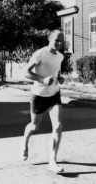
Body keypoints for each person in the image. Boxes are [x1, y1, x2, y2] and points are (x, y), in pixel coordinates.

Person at [20, 30, 65, 173]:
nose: (59, 43)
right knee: (34, 126)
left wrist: (60, 78)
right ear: (49, 39)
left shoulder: (60, 56)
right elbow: (26, 72)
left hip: (54, 94)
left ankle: (52, 161)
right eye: (56, 40)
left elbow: (56, 72)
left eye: (61, 41)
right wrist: (42, 80)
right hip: (38, 95)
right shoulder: (40, 53)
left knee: (58, 126)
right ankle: (25, 142)